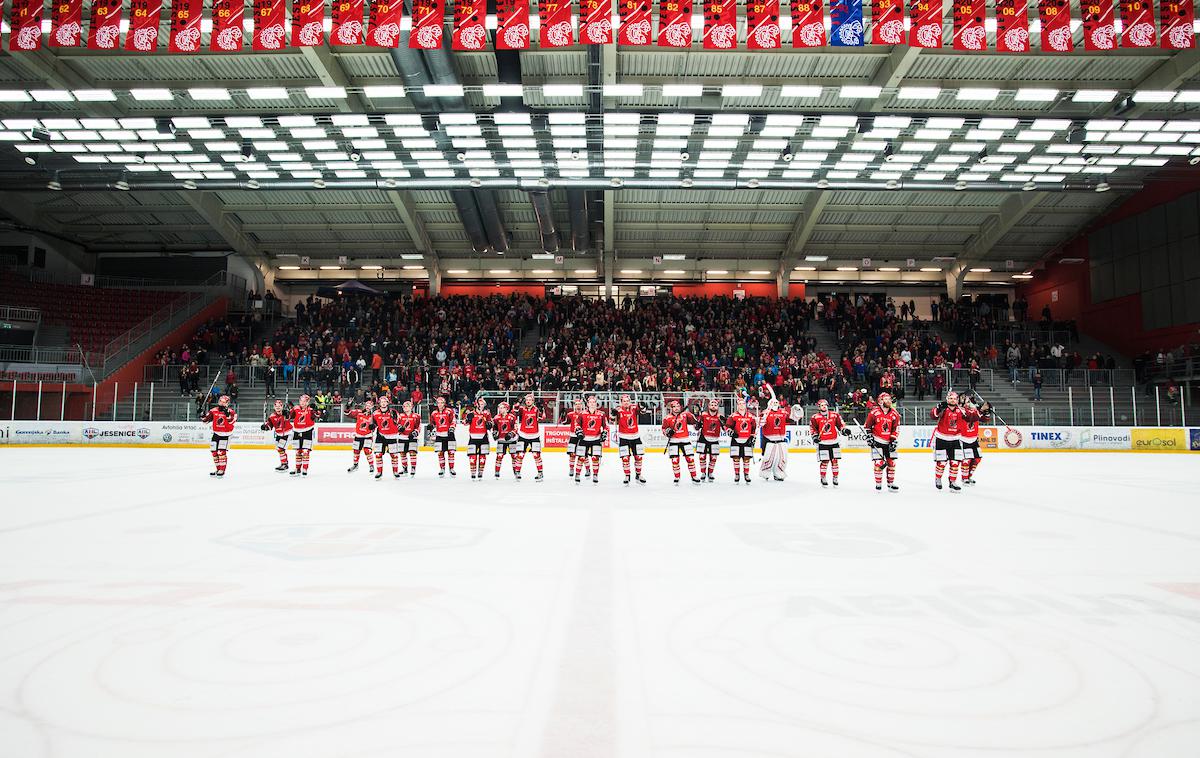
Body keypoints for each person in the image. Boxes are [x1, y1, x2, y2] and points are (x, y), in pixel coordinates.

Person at [865, 392, 901, 491]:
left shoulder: (894, 414)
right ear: (880, 401)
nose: (888, 400)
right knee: (879, 463)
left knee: (891, 463)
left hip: (889, 441)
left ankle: (890, 484)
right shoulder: (874, 412)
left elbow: (896, 428)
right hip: (877, 441)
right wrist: (869, 437)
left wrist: (893, 440)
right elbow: (867, 426)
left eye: (889, 399)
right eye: (886, 399)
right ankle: (878, 484)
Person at [930, 391, 965, 491]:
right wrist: (938, 408)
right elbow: (933, 416)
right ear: (947, 399)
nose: (953, 400)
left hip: (955, 439)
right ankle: (938, 478)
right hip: (942, 438)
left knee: (955, 463)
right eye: (951, 398)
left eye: (955, 399)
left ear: (957, 400)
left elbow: (972, 417)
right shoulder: (943, 408)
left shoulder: (961, 410)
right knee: (941, 462)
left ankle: (952, 481)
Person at [809, 398, 849, 487]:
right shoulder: (815, 417)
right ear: (819, 407)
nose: (824, 407)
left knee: (835, 461)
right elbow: (813, 428)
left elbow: (840, 425)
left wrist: (844, 430)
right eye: (822, 405)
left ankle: (835, 477)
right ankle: (823, 477)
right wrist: (815, 437)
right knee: (825, 461)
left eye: (825, 405)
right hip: (823, 443)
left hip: (834, 442)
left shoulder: (835, 415)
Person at [662, 399, 701, 484]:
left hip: (685, 440)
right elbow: (664, 429)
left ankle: (694, 476)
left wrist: (697, 418)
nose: (676, 408)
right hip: (673, 441)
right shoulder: (667, 418)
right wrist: (668, 432)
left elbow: (695, 422)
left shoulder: (685, 415)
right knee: (675, 460)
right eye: (674, 407)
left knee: (690, 459)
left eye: (678, 406)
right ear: (671, 408)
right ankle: (677, 477)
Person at [757, 395, 796, 482]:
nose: (775, 404)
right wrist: (762, 419)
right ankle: (765, 473)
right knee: (768, 458)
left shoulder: (783, 413)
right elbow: (760, 423)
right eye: (773, 402)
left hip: (781, 440)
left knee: (782, 458)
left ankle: (779, 473)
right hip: (769, 440)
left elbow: (791, 419)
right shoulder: (766, 413)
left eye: (776, 402)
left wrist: (795, 413)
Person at [613, 393, 646, 485]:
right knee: (625, 458)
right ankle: (627, 475)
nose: (626, 403)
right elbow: (612, 419)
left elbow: (643, 412)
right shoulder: (618, 410)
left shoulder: (634, 408)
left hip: (635, 436)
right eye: (624, 401)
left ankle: (638, 475)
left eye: (627, 401)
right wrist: (613, 414)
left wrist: (643, 406)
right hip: (624, 437)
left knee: (638, 457)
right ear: (621, 402)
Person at [574, 395, 608, 484]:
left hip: (596, 439)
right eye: (590, 402)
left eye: (594, 402)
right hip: (584, 439)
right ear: (588, 404)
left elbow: (606, 426)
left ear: (596, 404)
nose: (592, 404)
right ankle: (577, 474)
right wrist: (578, 430)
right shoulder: (582, 414)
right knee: (581, 458)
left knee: (595, 458)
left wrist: (604, 432)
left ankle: (595, 475)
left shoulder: (601, 414)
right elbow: (577, 424)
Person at [724, 396, 757, 484]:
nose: (741, 405)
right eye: (739, 404)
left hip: (747, 440)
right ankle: (737, 474)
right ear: (737, 406)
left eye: (743, 404)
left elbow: (754, 428)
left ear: (745, 405)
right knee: (736, 458)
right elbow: (727, 426)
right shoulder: (733, 415)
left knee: (746, 459)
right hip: (736, 440)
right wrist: (730, 432)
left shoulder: (751, 416)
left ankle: (746, 474)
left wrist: (753, 437)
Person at [202, 394, 236, 477]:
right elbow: (205, 421)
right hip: (216, 433)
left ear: (227, 403)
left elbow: (232, 421)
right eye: (220, 401)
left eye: (224, 402)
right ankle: (217, 469)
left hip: (226, 434)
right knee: (214, 452)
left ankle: (222, 470)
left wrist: (227, 415)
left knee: (221, 452)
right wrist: (202, 415)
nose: (221, 403)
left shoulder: (231, 412)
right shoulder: (213, 410)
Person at [370, 396, 403, 480]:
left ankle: (395, 472)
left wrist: (400, 427)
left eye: (385, 401)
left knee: (394, 455)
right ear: (379, 403)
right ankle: (379, 472)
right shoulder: (375, 413)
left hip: (392, 436)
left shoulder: (393, 412)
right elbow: (374, 424)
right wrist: (372, 426)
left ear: (388, 403)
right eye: (382, 401)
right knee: (378, 454)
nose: (383, 403)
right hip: (380, 436)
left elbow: (399, 422)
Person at [515, 393, 546, 481]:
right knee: (520, 455)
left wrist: (542, 409)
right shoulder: (522, 409)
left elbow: (543, 417)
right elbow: (515, 413)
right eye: (527, 400)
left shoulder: (536, 409)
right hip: (523, 435)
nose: (528, 401)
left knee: (536, 455)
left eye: (530, 400)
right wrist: (517, 403)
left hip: (534, 435)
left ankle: (540, 472)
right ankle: (517, 472)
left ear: (533, 401)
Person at [959, 396, 986, 485]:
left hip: (974, 439)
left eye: (969, 401)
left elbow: (985, 419)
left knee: (977, 459)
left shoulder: (974, 410)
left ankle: (969, 476)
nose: (968, 403)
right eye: (967, 401)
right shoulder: (961, 410)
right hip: (964, 439)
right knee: (967, 459)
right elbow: (970, 417)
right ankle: (964, 478)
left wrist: (986, 410)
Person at [463, 397, 492, 481]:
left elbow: (491, 423)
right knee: (473, 456)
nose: (482, 406)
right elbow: (464, 423)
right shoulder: (471, 413)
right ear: (477, 404)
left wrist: (490, 425)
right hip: (473, 437)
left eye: (483, 404)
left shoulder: (487, 413)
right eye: (481, 404)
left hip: (484, 437)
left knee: (483, 456)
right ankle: (473, 472)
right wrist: (468, 419)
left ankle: (480, 472)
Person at [696, 398, 724, 483]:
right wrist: (698, 424)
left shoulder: (720, 416)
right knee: (702, 456)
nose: (713, 406)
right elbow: (696, 427)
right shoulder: (703, 415)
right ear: (708, 406)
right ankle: (703, 473)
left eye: (715, 405)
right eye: (712, 404)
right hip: (703, 438)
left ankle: (710, 473)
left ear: (718, 407)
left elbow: (725, 427)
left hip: (715, 438)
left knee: (713, 457)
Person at [345, 398, 376, 474]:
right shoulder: (359, 412)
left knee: (367, 450)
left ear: (372, 407)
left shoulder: (374, 415)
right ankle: (355, 465)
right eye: (367, 405)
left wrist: (374, 426)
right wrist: (348, 406)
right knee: (356, 451)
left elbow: (377, 424)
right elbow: (347, 413)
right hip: (358, 435)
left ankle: (371, 465)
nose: (368, 407)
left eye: (370, 405)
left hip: (368, 435)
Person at [428, 396, 457, 477]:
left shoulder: (449, 411)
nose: (440, 404)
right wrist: (431, 427)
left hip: (449, 435)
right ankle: (442, 469)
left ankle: (451, 469)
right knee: (440, 453)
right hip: (439, 435)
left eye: (441, 403)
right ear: (436, 404)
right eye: (438, 403)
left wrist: (452, 429)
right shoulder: (434, 413)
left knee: (451, 452)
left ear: (444, 403)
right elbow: (432, 423)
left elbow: (453, 420)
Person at [289, 394, 316, 476]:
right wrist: (289, 410)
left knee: (305, 451)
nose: (302, 403)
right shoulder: (296, 408)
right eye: (301, 401)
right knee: (298, 451)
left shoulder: (310, 409)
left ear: (308, 402)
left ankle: (304, 468)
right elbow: (289, 416)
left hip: (307, 431)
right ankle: (297, 468)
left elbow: (316, 415)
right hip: (297, 431)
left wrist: (316, 410)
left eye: (304, 401)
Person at [261, 398, 292, 472]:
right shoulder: (272, 416)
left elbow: (288, 417)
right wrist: (265, 427)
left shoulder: (285, 413)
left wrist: (287, 414)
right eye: (276, 406)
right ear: (274, 407)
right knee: (279, 449)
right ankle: (284, 463)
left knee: (281, 448)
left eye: (279, 406)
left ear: (282, 407)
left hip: (287, 434)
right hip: (279, 434)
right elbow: (270, 426)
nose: (278, 408)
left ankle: (285, 464)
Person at [492, 401, 519, 479]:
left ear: (507, 409)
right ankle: (497, 472)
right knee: (499, 456)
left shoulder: (512, 417)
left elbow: (516, 427)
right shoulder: (496, 417)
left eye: (502, 408)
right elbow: (494, 428)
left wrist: (511, 434)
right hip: (501, 440)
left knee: (514, 456)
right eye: (499, 408)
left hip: (512, 440)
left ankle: (516, 472)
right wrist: (494, 433)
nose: (500, 409)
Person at [564, 398, 590, 479]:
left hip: (582, 437)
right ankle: (571, 469)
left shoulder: (585, 414)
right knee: (572, 454)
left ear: (582, 405)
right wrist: (563, 418)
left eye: (579, 404)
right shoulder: (570, 414)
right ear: (574, 406)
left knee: (584, 455)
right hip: (573, 436)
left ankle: (588, 469)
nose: (578, 405)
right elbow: (566, 422)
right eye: (576, 404)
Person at [396, 400, 422, 477]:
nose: (406, 408)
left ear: (411, 407)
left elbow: (418, 426)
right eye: (404, 406)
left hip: (412, 437)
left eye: (408, 406)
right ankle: (405, 469)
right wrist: (399, 428)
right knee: (402, 453)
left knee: (412, 452)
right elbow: (396, 424)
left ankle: (413, 468)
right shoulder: (400, 416)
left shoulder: (416, 416)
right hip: (402, 437)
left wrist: (415, 433)